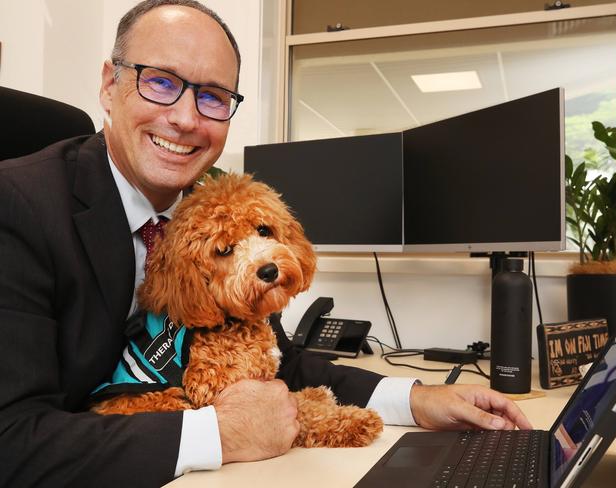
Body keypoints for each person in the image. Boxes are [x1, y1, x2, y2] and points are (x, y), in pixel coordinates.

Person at [0, 1, 532, 486]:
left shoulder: (208, 207)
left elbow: (283, 362)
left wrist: (415, 400)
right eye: (160, 82)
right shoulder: (18, 205)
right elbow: (11, 441)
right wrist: (218, 434)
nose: (186, 119)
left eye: (212, 96)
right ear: (108, 85)